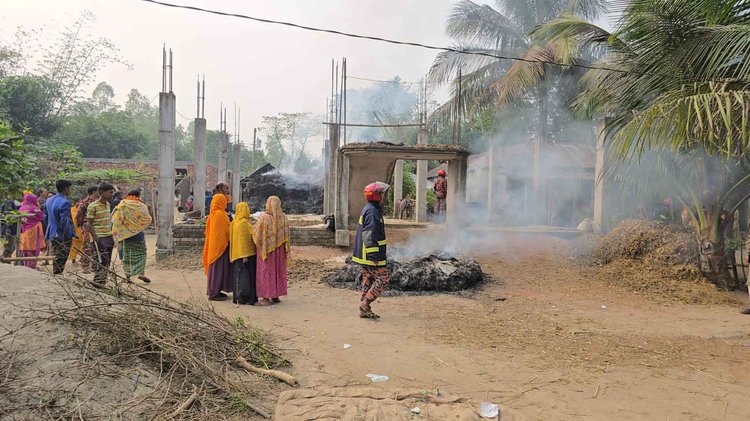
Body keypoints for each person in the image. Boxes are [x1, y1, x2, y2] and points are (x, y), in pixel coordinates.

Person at [352, 182, 390, 319]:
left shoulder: (370, 208)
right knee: (383, 279)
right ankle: (365, 304)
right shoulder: (373, 212)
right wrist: (374, 255)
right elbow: (369, 234)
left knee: (368, 277)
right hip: (370, 255)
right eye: (382, 194)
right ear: (377, 196)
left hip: (365, 254)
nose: (383, 196)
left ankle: (364, 308)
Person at [253, 196, 290, 306]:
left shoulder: (263, 218)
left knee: (266, 271)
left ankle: (265, 297)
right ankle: (275, 296)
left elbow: (256, 235)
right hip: (279, 250)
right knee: (277, 271)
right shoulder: (283, 217)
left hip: (266, 250)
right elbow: (287, 235)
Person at [112, 189, 153, 284]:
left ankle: (127, 277)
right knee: (142, 254)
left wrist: (118, 232)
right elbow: (148, 219)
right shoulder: (142, 206)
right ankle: (141, 273)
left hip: (125, 235)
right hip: (139, 234)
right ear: (138, 195)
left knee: (127, 256)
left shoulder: (122, 205)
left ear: (128, 195)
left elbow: (116, 220)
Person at [203, 193, 232, 301]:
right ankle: (214, 293)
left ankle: (215, 290)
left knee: (215, 269)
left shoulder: (212, 214)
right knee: (218, 270)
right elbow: (226, 230)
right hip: (220, 246)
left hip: (213, 246)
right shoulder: (220, 215)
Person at [229, 202, 258, 305]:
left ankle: (237, 297)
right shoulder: (245, 224)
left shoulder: (234, 223)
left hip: (236, 253)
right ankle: (246, 297)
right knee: (247, 277)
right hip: (247, 255)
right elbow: (248, 239)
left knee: (238, 275)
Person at [45, 180, 76, 274]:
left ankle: (56, 273)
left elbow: (47, 216)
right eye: (69, 188)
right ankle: (57, 275)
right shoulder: (64, 202)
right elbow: (64, 222)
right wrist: (68, 235)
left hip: (52, 232)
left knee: (57, 255)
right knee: (62, 256)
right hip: (61, 234)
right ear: (66, 188)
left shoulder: (49, 200)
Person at [87, 183, 115, 285]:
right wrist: (96, 238)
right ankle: (98, 282)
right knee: (101, 261)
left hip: (108, 235)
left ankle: (101, 282)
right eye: (110, 192)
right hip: (99, 237)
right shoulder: (92, 206)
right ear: (102, 192)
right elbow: (89, 224)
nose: (112, 194)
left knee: (107, 261)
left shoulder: (108, 205)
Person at [74, 186, 99, 273]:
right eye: (98, 191)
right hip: (87, 227)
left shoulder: (98, 202)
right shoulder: (84, 202)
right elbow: (78, 215)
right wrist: (83, 227)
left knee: (96, 247)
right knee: (87, 246)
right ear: (93, 192)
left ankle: (95, 266)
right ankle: (85, 266)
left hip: (97, 227)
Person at [18, 193, 46, 269]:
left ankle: (26, 265)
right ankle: (31, 266)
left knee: (26, 248)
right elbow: (42, 216)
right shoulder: (33, 208)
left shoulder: (21, 208)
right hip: (33, 231)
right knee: (33, 249)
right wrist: (38, 206)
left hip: (24, 231)